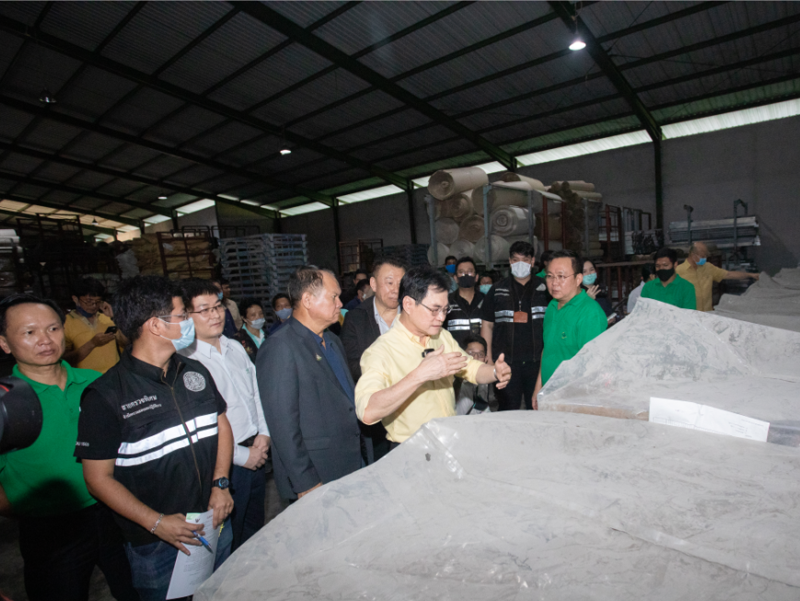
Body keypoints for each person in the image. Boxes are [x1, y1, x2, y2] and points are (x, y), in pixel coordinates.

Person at [76, 275, 235, 601]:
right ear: (156, 326)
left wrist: (220, 484)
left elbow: (221, 424)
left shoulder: (193, 371)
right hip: (158, 543)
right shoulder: (106, 396)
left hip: (213, 519)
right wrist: (156, 523)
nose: (189, 321)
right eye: (182, 315)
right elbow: (97, 479)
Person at [0, 294, 137, 601]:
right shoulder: (6, 403)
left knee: (136, 590)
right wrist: (30, 510)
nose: (45, 339)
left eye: (53, 328)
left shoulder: (96, 383)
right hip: (49, 531)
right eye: (29, 332)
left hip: (112, 513)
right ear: (4, 343)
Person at [355, 266, 511, 448]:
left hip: (448, 440)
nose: (441, 317)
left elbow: (470, 367)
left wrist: (494, 372)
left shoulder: (441, 336)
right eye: (434, 310)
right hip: (411, 447)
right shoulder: (382, 351)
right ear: (408, 304)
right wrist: (419, 375)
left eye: (445, 310)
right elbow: (367, 412)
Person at [257, 266, 366, 502]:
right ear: (307, 300)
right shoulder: (280, 347)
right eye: (333, 297)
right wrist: (304, 480)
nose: (340, 304)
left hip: (349, 461)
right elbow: (282, 425)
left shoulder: (332, 340)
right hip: (317, 473)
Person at [179, 280, 270, 553]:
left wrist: (264, 433)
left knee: (255, 531)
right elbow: (199, 428)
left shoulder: (235, 346)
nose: (215, 315)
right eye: (204, 310)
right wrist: (242, 456)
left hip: (257, 450)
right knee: (229, 540)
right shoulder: (187, 363)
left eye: (217, 307)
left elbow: (256, 391)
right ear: (186, 317)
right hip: (226, 464)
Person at [341, 256, 407, 460]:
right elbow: (352, 365)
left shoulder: (414, 314)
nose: (395, 290)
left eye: (400, 284)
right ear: (373, 284)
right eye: (389, 282)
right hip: (375, 411)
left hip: (409, 409)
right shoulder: (356, 318)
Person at [480, 241, 549, 411]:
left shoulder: (545, 289)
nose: (520, 264)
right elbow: (487, 325)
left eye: (525, 260)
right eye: (516, 260)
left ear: (532, 261)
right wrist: (488, 359)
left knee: (538, 407)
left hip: (537, 362)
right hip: (506, 362)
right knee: (507, 409)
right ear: (510, 261)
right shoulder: (497, 290)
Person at [533, 250, 608, 405]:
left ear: (578, 279)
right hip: (548, 395)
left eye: (561, 276)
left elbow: (591, 367)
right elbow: (548, 350)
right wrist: (538, 388)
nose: (554, 282)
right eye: (549, 276)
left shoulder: (589, 313)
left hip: (573, 400)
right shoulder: (552, 306)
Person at [676, 241, 759, 312]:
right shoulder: (678, 272)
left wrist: (750, 275)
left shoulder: (708, 267)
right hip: (690, 316)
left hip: (708, 314)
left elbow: (728, 274)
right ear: (693, 255)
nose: (704, 259)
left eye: (705, 256)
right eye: (702, 256)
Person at [64, 277, 122, 373]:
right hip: (87, 380)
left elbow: (125, 343)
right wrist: (92, 344)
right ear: (75, 299)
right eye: (88, 302)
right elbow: (64, 361)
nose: (94, 306)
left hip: (114, 376)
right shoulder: (65, 323)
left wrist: (114, 318)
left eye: (98, 302)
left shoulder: (107, 318)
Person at [442, 256, 485, 347]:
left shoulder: (486, 301)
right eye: (461, 272)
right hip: (455, 354)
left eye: (469, 272)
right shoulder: (446, 302)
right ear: (455, 278)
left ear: (476, 277)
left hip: (480, 354)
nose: (465, 275)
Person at [455, 334, 495, 415]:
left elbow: (485, 410)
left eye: (480, 355)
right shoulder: (455, 380)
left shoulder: (486, 383)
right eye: (471, 354)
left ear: (486, 359)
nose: (476, 358)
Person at [581, 258, 616, 325]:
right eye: (584, 271)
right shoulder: (577, 294)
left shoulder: (600, 289)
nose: (589, 274)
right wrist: (587, 300)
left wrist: (612, 319)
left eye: (591, 270)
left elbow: (609, 311)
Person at [233, 298, 267, 363]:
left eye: (260, 314)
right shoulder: (237, 340)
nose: (258, 317)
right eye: (253, 315)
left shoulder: (268, 335)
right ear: (244, 318)